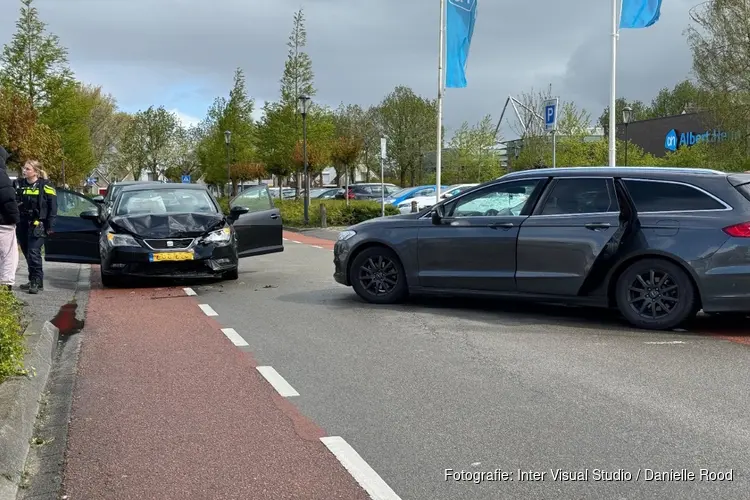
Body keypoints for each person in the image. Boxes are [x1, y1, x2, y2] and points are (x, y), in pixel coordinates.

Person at [16, 160, 57, 294]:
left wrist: (50, 225)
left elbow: (53, 207)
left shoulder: (45, 186)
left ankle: (37, 281)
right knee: (27, 252)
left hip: (38, 224)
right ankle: (33, 278)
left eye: (28, 169)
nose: (24, 171)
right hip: (23, 224)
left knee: (34, 253)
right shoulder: (20, 185)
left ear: (36, 172)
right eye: (24, 168)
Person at [0, 147, 20, 291]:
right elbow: (8, 199)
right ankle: (5, 287)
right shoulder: (2, 176)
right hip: (3, 223)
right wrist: (14, 219)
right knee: (8, 255)